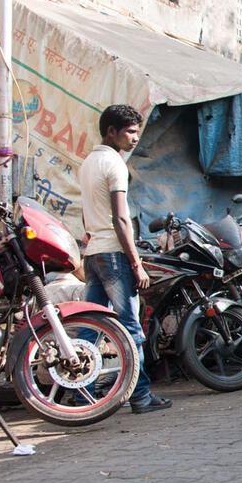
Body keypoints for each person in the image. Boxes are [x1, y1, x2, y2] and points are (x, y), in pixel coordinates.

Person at [79, 104, 171, 414]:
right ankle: (141, 396)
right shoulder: (115, 164)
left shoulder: (88, 163)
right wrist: (136, 263)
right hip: (114, 256)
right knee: (132, 330)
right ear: (111, 132)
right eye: (130, 132)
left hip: (93, 254)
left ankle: (83, 395)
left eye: (136, 132)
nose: (134, 138)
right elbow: (120, 219)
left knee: (89, 327)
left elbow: (88, 213)